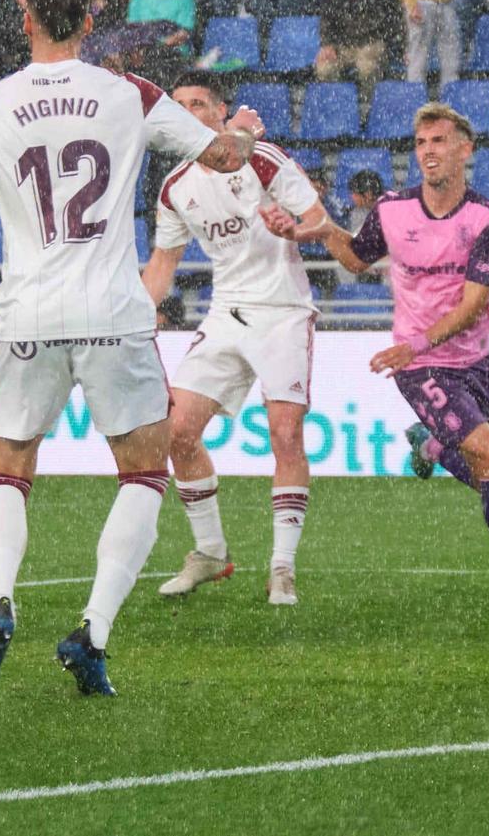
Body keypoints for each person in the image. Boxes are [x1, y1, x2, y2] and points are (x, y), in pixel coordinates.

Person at [0, 0, 267, 697]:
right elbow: (224, 158)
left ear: (25, 17)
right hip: (113, 313)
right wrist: (240, 132)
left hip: (29, 317)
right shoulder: (129, 93)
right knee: (142, 473)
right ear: (89, 20)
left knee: (9, 474)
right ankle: (92, 630)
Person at [274, 102, 489, 605]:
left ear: (465, 150)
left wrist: (415, 344)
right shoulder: (391, 210)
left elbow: (473, 306)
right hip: (420, 364)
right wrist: (322, 231)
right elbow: (356, 259)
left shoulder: (487, 218)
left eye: (440, 141)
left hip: (468, 361)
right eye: (422, 143)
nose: (429, 151)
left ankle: (430, 445)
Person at [141, 72, 329, 607]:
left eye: (199, 104)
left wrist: (294, 230)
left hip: (284, 311)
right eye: (179, 106)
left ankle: (282, 568)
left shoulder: (262, 157)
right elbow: (162, 267)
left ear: (222, 112)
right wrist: (141, 308)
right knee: (176, 431)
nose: (188, 113)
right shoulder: (175, 187)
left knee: (285, 433)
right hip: (226, 314)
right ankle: (210, 552)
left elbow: (318, 219)